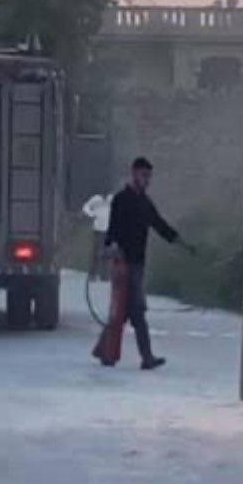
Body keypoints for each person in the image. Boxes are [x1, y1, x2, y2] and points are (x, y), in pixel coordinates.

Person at [92, 158, 191, 370]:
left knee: (124, 310)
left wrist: (180, 241)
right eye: (143, 175)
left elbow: (159, 224)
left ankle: (105, 350)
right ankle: (145, 357)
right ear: (134, 173)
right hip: (123, 263)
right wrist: (109, 248)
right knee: (135, 310)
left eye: (149, 176)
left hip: (138, 263)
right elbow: (113, 229)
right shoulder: (121, 200)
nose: (147, 180)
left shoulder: (145, 203)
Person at [81, 193, 113, 281]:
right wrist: (92, 214)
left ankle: (105, 275)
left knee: (107, 253)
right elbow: (85, 207)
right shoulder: (96, 199)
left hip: (109, 230)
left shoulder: (111, 198)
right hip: (98, 229)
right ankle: (93, 274)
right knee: (96, 252)